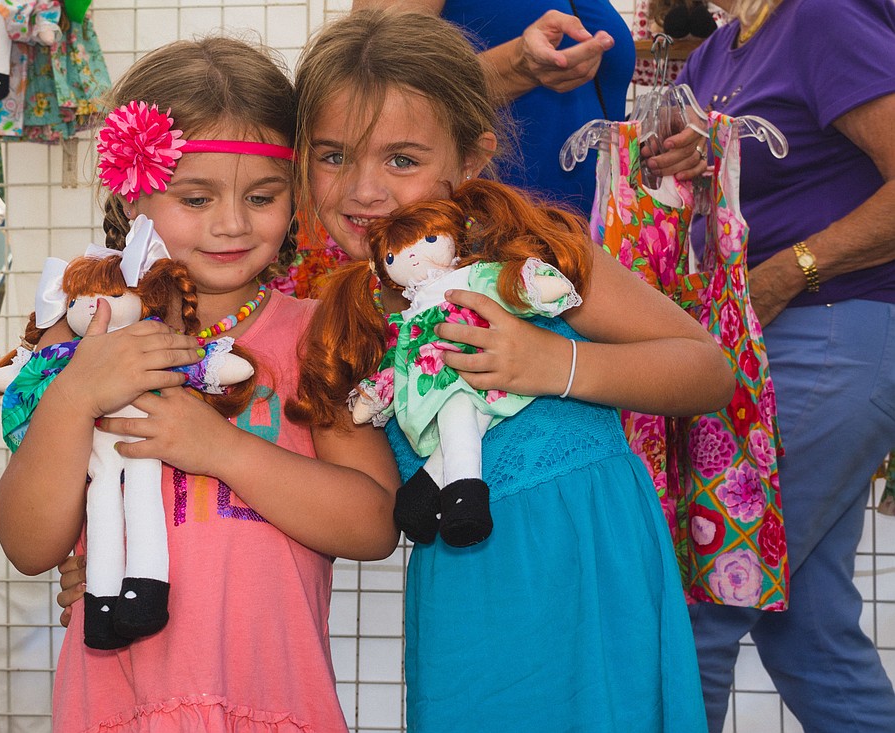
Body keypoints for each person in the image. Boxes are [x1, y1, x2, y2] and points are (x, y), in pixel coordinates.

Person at [61, 9, 734, 730]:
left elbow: (707, 369)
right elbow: (331, 489)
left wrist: (555, 363)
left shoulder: (530, 251)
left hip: (594, 565)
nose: (364, 189)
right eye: (333, 156)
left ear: (469, 159)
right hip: (463, 597)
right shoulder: (337, 318)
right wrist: (110, 553)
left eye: (402, 160)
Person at [0, 36, 401, 732]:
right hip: (119, 706)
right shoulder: (85, 336)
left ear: (296, 195)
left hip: (272, 699)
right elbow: (29, 546)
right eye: (196, 197)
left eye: (262, 196)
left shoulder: (316, 336)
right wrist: (75, 394)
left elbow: (374, 524)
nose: (232, 223)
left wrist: (220, 448)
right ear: (133, 193)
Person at [673, 0, 895, 730]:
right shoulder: (719, 49)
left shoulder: (822, 16)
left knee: (704, 596)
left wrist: (789, 271)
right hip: (762, 339)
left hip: (829, 329)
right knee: (806, 627)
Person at [351, 0, 709, 216]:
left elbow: (582, 114)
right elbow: (368, 88)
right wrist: (517, 66)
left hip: (592, 249)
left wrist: (656, 138)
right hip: (484, 252)